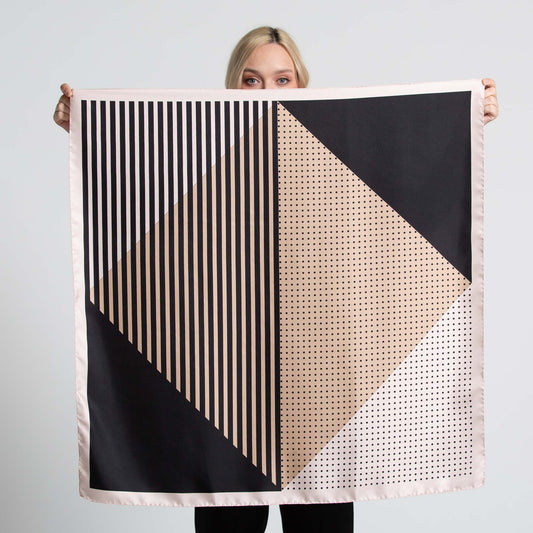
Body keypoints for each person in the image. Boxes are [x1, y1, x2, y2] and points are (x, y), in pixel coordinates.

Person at [53, 26, 499, 533]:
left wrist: (467, 116)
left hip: (320, 399)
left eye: (283, 79)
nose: (268, 91)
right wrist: (83, 125)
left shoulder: (337, 151)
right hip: (225, 394)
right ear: (233, 86)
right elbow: (136, 176)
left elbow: (407, 157)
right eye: (252, 80)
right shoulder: (201, 157)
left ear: (302, 85)